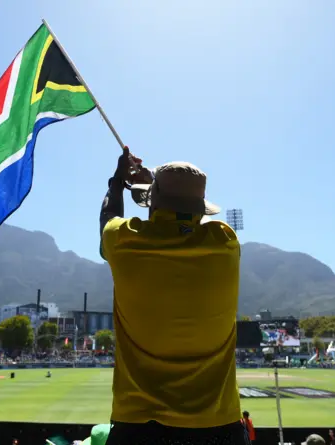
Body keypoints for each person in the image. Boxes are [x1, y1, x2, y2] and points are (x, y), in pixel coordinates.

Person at [100, 148, 244, 444]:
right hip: (218, 428)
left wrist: (117, 182)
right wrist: (155, 184)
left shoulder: (123, 241)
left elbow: (108, 216)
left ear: (152, 205)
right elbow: (183, 222)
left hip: (139, 426)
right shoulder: (226, 243)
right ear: (200, 209)